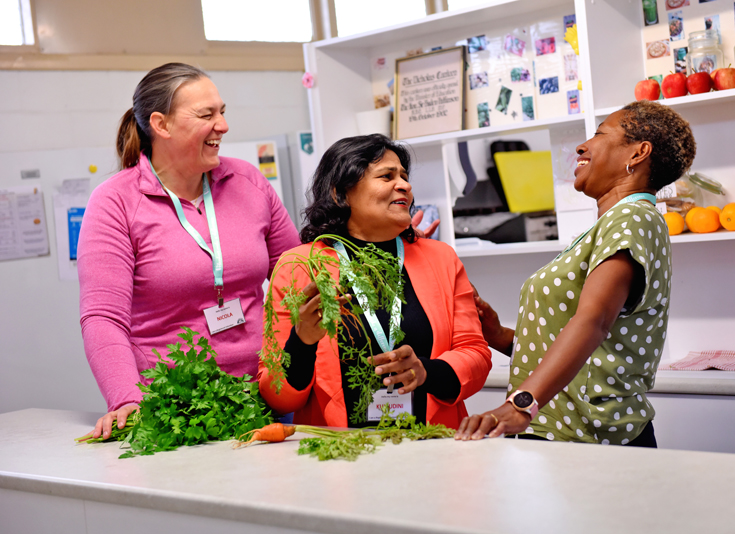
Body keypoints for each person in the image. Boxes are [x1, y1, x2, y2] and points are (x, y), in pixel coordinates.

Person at [79, 63, 300, 439]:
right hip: (172, 408)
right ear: (161, 125)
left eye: (223, 112)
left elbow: (295, 273)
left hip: (266, 395)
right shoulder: (115, 202)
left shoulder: (247, 181)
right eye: (206, 115)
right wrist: (126, 399)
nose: (223, 126)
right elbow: (103, 318)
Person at [456, 100, 696, 446]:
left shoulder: (633, 218)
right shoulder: (615, 225)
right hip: (562, 431)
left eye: (600, 135)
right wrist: (500, 335)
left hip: (586, 439)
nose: (583, 146)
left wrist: (522, 405)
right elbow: (586, 349)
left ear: (638, 153)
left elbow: (593, 322)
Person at [257, 134, 491, 428]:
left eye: (405, 176)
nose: (404, 184)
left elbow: (476, 355)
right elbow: (278, 398)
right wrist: (301, 342)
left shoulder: (441, 258)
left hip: (435, 448)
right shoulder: (299, 266)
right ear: (340, 193)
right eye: (386, 176)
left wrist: (426, 372)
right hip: (340, 459)